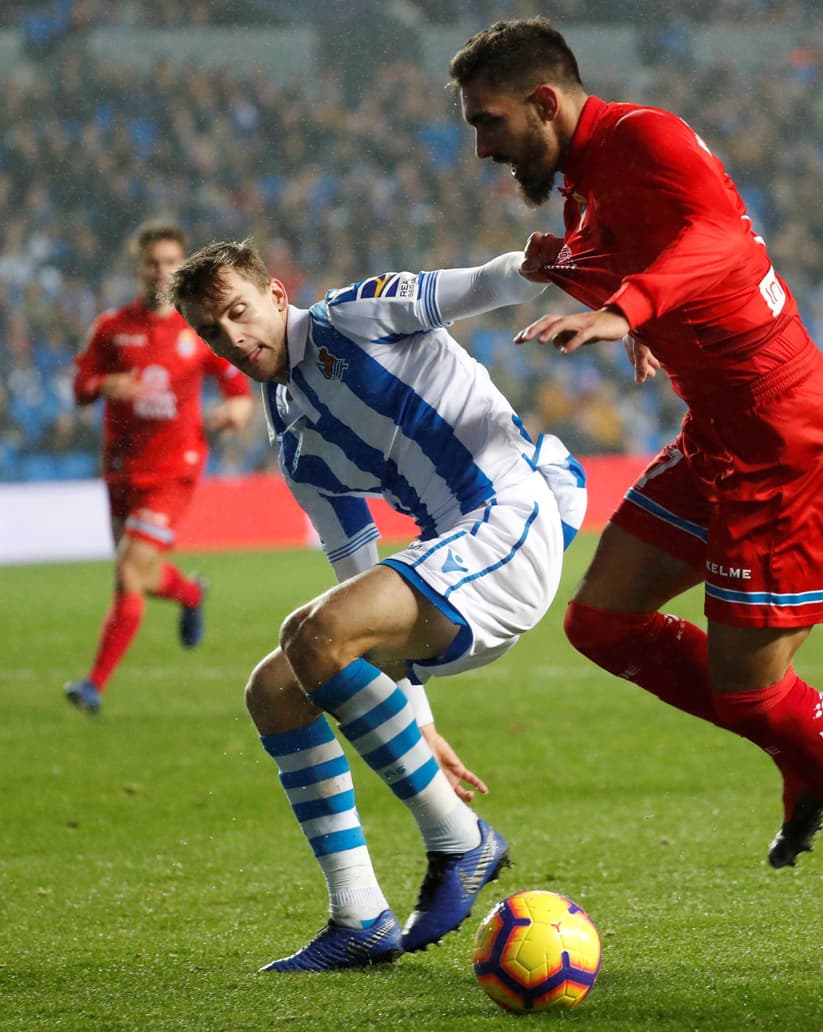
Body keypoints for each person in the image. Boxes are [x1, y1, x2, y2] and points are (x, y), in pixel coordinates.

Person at [449, 17, 823, 968]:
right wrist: (572, 274)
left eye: (489, 123)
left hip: (785, 437)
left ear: (544, 101)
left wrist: (625, 312)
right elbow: (636, 258)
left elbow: (720, 246)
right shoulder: (585, 188)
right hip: (718, 436)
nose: (481, 146)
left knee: (750, 690)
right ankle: (795, 750)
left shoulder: (645, 136)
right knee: (602, 624)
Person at [169, 240, 587, 972]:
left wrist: (622, 295)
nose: (232, 339)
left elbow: (492, 281)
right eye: (211, 331)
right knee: (275, 688)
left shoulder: (353, 317)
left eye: (238, 313)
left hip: (507, 520)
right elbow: (353, 574)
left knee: (313, 632)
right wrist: (418, 722)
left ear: (274, 292)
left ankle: (461, 842)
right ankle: (359, 916)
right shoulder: (291, 433)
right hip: (455, 566)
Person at [64, 221, 253, 716]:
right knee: (139, 573)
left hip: (175, 468)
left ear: (181, 266)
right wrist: (106, 384)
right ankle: (190, 593)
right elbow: (80, 386)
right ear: (139, 267)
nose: (161, 271)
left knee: (128, 571)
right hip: (122, 468)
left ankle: (93, 685)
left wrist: (237, 411)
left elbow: (237, 382)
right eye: (153, 262)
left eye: (171, 262)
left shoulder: (198, 326)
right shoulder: (111, 327)